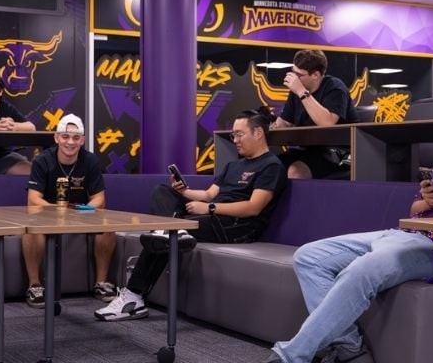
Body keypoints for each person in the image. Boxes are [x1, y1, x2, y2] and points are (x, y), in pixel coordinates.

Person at [266, 94, 433, 363]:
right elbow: (415, 212)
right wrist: (427, 202)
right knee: (309, 256)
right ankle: (350, 347)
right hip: (409, 235)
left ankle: (291, 356)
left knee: (363, 269)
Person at [95, 108, 288, 321]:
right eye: (233, 135)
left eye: (239, 134)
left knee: (167, 232)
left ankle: (134, 296)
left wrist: (211, 208)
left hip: (238, 226)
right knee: (162, 192)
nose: (235, 140)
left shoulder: (272, 166)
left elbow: (253, 208)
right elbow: (208, 194)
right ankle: (168, 234)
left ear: (258, 132)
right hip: (213, 218)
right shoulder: (234, 165)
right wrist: (183, 191)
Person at [24, 113, 117, 307]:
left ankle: (101, 283)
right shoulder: (42, 160)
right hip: (47, 215)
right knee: (30, 228)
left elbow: (99, 199)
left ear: (82, 140)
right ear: (57, 138)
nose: (70, 142)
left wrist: (81, 211)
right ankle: (34, 285)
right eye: (65, 137)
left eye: (76, 138)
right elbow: (33, 200)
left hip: (81, 214)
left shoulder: (90, 160)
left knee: (108, 224)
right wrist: (59, 210)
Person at [272, 49, 358, 179]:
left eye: (299, 75)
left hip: (339, 151)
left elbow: (327, 123)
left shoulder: (335, 88)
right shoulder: (296, 92)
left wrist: (301, 92)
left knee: (296, 171)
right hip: (309, 149)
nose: (294, 79)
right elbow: (285, 122)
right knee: (269, 167)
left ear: (316, 75)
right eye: (293, 72)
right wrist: (274, 127)